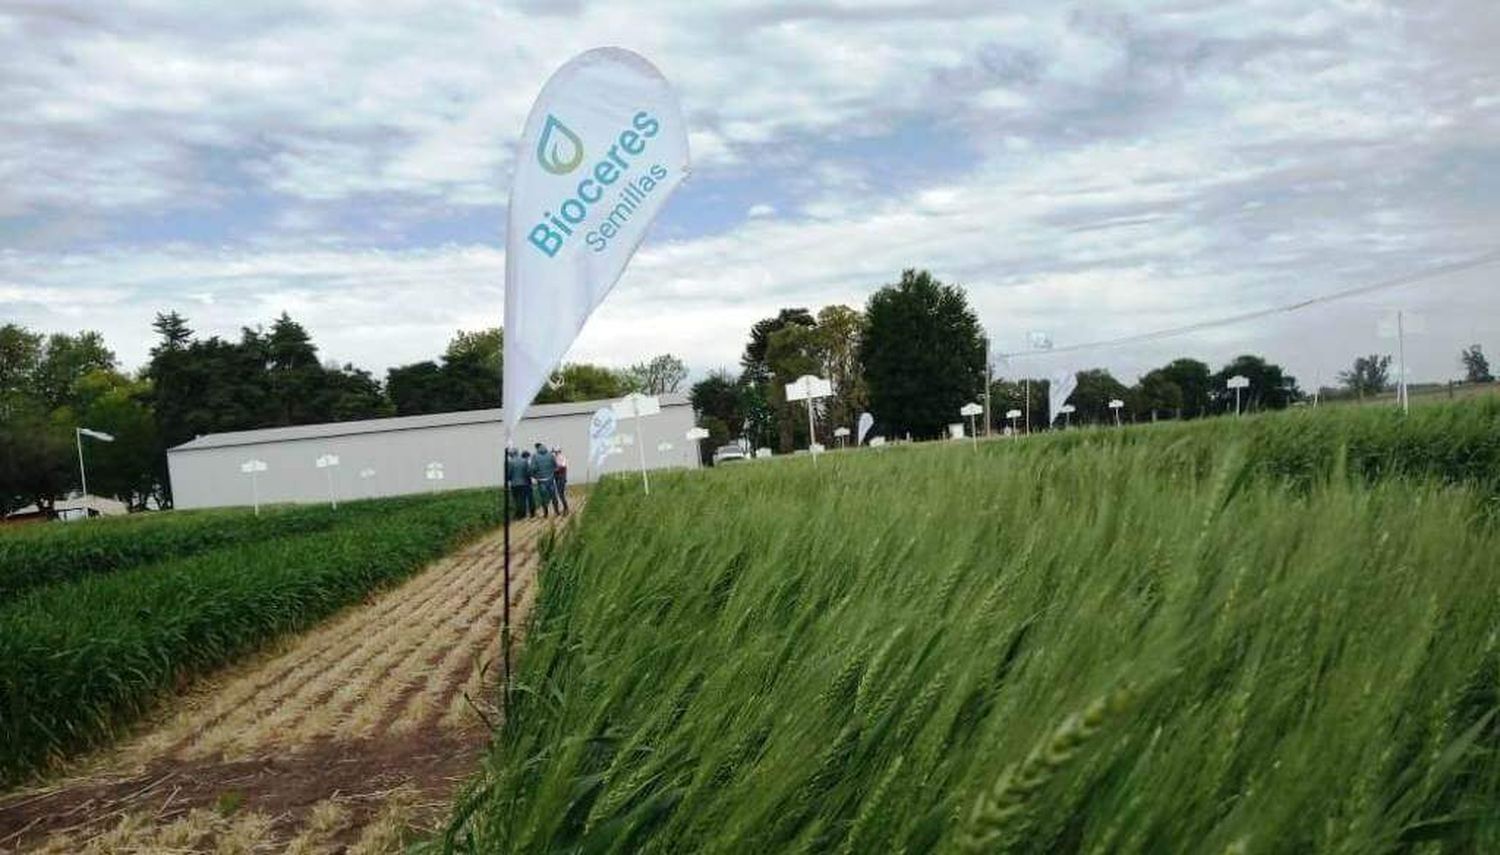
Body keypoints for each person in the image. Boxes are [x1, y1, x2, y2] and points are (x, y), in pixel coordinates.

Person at [530, 442, 562, 517]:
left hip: (541, 481)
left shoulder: (535, 456)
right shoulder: (550, 455)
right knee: (553, 496)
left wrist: (535, 476)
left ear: (537, 449)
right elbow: (556, 467)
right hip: (550, 479)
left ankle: (546, 513)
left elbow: (532, 469)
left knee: (543, 497)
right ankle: (557, 511)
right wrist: (552, 473)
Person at [505, 449, 531, 520]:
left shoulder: (510, 462)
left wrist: (509, 479)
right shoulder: (524, 461)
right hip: (524, 483)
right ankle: (523, 514)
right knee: (523, 499)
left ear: (512, 455)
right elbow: (528, 472)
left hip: (514, 484)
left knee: (516, 499)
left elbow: (509, 474)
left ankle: (518, 514)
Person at [552, 447, 570, 515]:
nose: (554, 452)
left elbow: (562, 467)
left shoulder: (562, 458)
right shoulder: (556, 458)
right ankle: (565, 507)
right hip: (558, 478)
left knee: (561, 493)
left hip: (561, 478)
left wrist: (555, 470)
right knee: (560, 493)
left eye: (555, 451)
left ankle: (566, 508)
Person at [519, 450, 536, 518]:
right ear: (527, 456)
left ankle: (523, 513)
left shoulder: (519, 462)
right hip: (527, 482)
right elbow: (529, 472)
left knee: (523, 499)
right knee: (530, 498)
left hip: (521, 483)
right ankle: (532, 513)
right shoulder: (527, 463)